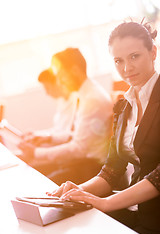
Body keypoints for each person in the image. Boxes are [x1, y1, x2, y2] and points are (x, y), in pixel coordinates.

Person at [47, 21, 160, 234]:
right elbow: (111, 169)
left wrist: (106, 202)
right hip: (133, 211)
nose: (127, 68)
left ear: (153, 52)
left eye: (134, 56)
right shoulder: (122, 106)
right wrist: (78, 190)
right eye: (119, 60)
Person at [19, 48, 113, 185]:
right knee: (30, 174)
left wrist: (36, 153)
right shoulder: (86, 94)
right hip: (82, 163)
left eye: (62, 75)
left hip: (90, 169)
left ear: (74, 71)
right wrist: (49, 137)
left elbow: (80, 148)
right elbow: (77, 135)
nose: (60, 82)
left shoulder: (92, 99)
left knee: (34, 182)